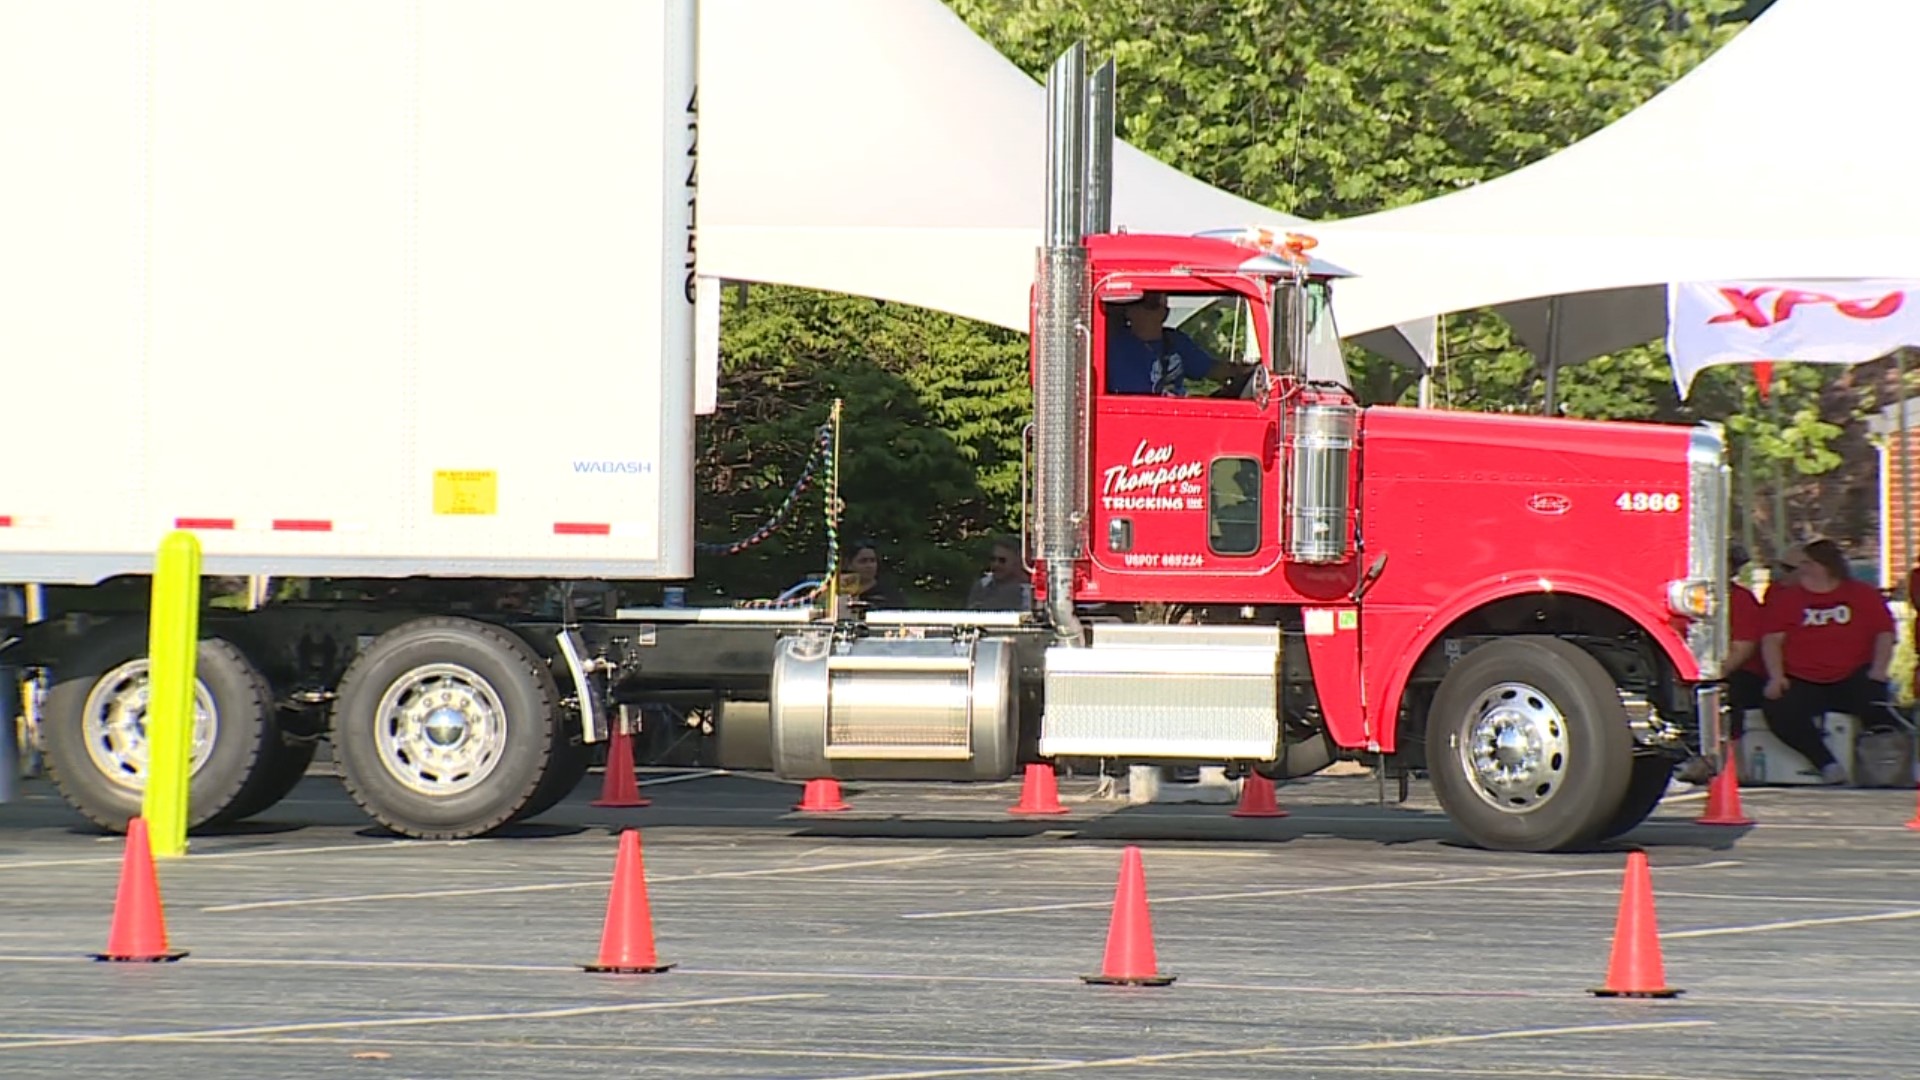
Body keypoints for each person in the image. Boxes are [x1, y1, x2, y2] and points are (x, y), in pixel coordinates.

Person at [1758, 539, 1895, 784]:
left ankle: (1884, 771)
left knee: (1877, 707)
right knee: (1779, 709)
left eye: (1807, 563)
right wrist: (1776, 677)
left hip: (1852, 675)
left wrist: (1879, 670)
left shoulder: (1862, 594)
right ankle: (1826, 763)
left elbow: (1884, 634)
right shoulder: (1788, 599)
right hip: (1803, 678)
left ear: (1825, 566)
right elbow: (1772, 640)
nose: (1802, 569)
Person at [1104, 292, 1218, 396]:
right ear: (1128, 311)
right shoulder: (1112, 346)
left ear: (1166, 312)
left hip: (1173, 413)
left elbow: (1212, 369)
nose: (1159, 310)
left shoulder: (1176, 341)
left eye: (1159, 303)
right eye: (1150, 303)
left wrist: (1234, 373)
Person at [966, 535, 1029, 611]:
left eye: (1002, 560)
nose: (996, 564)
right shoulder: (982, 586)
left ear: (1018, 561)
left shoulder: (1029, 591)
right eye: (993, 559)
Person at [843, 539, 905, 608]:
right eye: (863, 561)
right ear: (849, 564)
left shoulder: (890, 595)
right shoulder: (839, 593)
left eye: (872, 561)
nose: (869, 566)